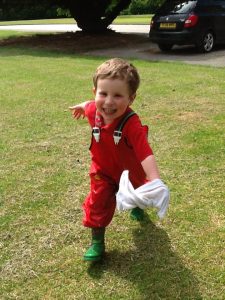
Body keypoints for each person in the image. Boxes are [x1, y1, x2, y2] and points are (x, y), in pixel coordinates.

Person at [69, 58, 161, 262]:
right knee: (97, 202)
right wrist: (81, 106)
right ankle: (97, 243)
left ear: (131, 98)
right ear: (95, 92)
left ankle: (136, 205)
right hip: (103, 170)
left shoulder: (131, 123)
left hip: (130, 172)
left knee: (137, 193)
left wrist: (154, 179)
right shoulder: (94, 109)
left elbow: (145, 152)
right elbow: (88, 106)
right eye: (103, 94)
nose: (109, 102)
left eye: (118, 95)